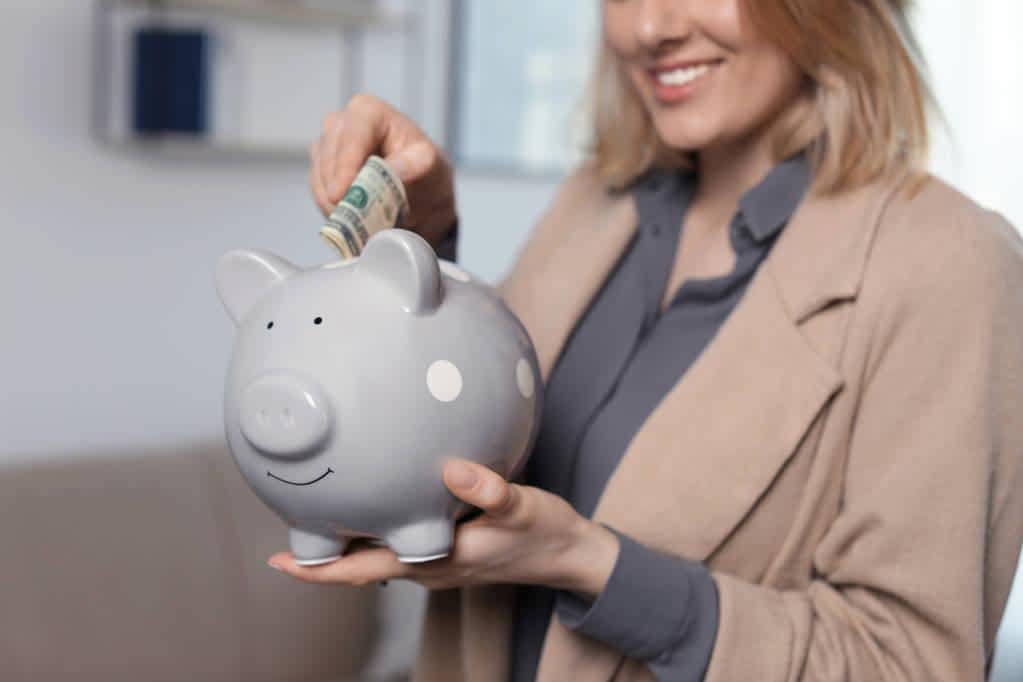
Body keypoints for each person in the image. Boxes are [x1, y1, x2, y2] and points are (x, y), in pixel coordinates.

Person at [271, 1, 1023, 680]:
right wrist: (425, 230)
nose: (648, 28)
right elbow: (467, 439)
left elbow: (909, 662)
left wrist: (590, 566)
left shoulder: (951, 266)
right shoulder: (594, 204)